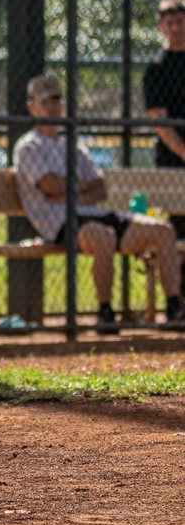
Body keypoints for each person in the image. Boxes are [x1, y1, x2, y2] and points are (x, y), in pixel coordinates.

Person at [14, 74, 185, 333]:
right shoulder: (29, 147)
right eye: (45, 102)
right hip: (61, 223)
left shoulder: (71, 144)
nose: (52, 107)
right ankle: (105, 312)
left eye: (56, 101)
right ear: (31, 106)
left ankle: (174, 308)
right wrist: (78, 188)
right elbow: (51, 188)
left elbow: (99, 188)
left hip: (97, 214)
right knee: (103, 237)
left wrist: (69, 189)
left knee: (163, 231)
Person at [144, 0, 185, 290]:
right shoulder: (156, 69)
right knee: (178, 230)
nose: (176, 28)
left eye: (180, 22)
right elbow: (160, 121)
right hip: (173, 160)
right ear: (161, 27)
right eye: (169, 23)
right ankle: (178, 299)